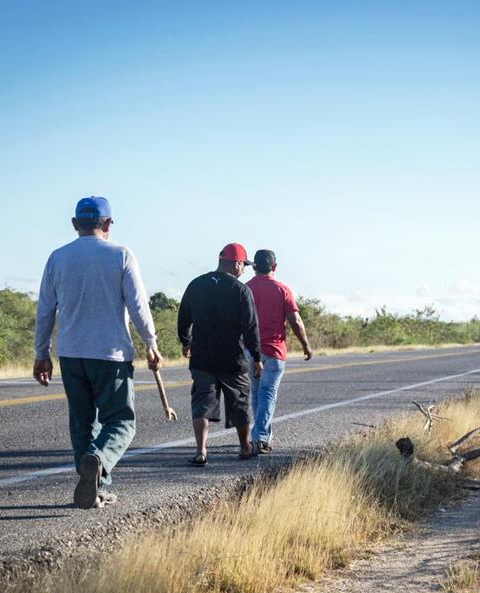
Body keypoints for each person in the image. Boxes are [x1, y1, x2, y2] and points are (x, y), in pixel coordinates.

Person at [33, 196, 163, 509]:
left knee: (82, 423)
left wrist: (41, 352)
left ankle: (96, 488)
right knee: (121, 422)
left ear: (75, 224)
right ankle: (100, 462)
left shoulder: (57, 258)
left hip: (71, 354)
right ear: (107, 223)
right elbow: (138, 305)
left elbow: (45, 310)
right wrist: (151, 342)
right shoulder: (120, 254)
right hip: (110, 354)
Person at [177, 243, 263, 466]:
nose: (243, 270)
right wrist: (256, 357)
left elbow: (184, 316)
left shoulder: (196, 284)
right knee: (239, 401)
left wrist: (186, 341)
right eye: (243, 265)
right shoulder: (240, 290)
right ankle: (245, 447)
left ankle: (201, 451)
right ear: (236, 264)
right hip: (232, 359)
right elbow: (250, 327)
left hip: (202, 357)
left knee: (202, 401)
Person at [246, 249, 313, 453]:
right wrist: (305, 345)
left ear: (254, 267)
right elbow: (296, 321)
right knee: (267, 393)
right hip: (274, 351)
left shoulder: (245, 289)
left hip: (250, 352)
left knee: (257, 392)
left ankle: (258, 434)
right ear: (274, 266)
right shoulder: (282, 289)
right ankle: (260, 437)